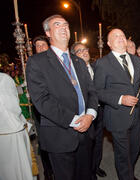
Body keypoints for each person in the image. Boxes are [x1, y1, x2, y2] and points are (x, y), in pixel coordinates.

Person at [26, 14, 98, 180]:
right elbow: (42, 100)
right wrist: (74, 120)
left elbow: (92, 92)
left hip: (86, 132)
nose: (64, 28)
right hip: (60, 135)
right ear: (48, 33)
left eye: (66, 24)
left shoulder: (78, 62)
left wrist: (90, 115)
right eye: (57, 25)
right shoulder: (37, 62)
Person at [94, 28, 140, 180]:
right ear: (109, 44)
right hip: (117, 116)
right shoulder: (102, 63)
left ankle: (129, 174)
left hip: (137, 116)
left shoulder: (138, 61)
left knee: (134, 150)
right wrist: (120, 99)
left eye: (123, 36)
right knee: (122, 154)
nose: (120, 38)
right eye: (115, 36)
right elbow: (97, 91)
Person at [70, 42, 107, 178]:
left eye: (85, 49)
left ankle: (95, 166)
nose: (85, 52)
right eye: (80, 51)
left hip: (100, 111)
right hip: (84, 115)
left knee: (98, 142)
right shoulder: (72, 72)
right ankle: (87, 172)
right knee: (86, 146)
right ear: (74, 56)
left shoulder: (96, 67)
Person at [0, 72, 33, 180]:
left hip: (7, 132)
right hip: (11, 132)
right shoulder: (3, 79)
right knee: (17, 171)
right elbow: (11, 106)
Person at [32, 34, 54, 180]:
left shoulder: (55, 63)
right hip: (41, 111)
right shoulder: (33, 64)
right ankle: (48, 172)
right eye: (37, 46)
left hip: (57, 108)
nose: (40, 48)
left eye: (43, 45)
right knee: (45, 142)